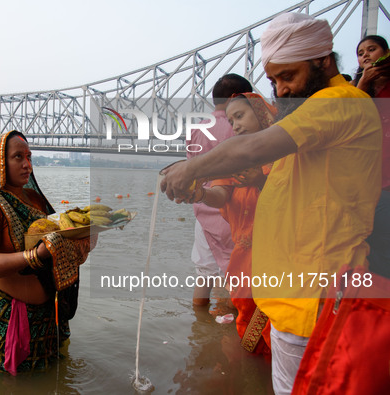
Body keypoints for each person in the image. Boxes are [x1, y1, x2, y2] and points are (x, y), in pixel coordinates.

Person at [160, 13, 381, 395]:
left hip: (313, 304)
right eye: (274, 80)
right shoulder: (309, 121)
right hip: (288, 300)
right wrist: (200, 187)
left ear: (324, 61)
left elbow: (253, 148)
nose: (281, 90)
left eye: (289, 77)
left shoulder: (339, 100)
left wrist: (189, 169)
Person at [0, 130, 92, 375]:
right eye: (18, 157)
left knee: (48, 373)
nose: (27, 165)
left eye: (29, 157)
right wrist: (36, 256)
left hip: (46, 314)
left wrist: (82, 241)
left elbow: (53, 237)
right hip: (7, 314)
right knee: (9, 381)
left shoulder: (34, 199)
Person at [193, 93, 277, 356]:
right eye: (231, 120)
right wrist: (199, 194)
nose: (235, 125)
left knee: (280, 328)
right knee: (248, 331)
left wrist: (261, 180)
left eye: (240, 116)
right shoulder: (235, 159)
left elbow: (301, 198)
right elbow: (220, 195)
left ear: (262, 113)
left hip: (278, 257)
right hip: (244, 258)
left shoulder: (286, 156)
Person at [187, 74, 252, 306]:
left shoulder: (197, 129)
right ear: (239, 97)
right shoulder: (242, 126)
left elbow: (192, 168)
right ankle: (226, 332)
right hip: (235, 211)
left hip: (203, 208)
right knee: (233, 275)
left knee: (204, 272)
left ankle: (200, 327)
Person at [354, 35, 390, 278]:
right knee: (373, 254)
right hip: (366, 186)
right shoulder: (356, 92)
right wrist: (364, 84)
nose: (365, 55)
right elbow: (346, 120)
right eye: (360, 52)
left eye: (372, 49)